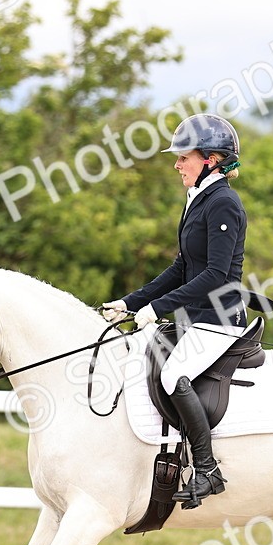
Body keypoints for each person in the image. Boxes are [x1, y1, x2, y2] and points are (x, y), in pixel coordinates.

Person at [102, 113, 248, 508]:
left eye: (184, 156)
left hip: (219, 318)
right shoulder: (198, 200)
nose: (177, 163)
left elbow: (217, 274)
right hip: (195, 317)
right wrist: (131, 303)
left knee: (173, 374)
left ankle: (207, 469)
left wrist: (157, 308)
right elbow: (183, 268)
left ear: (211, 159)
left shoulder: (223, 204)